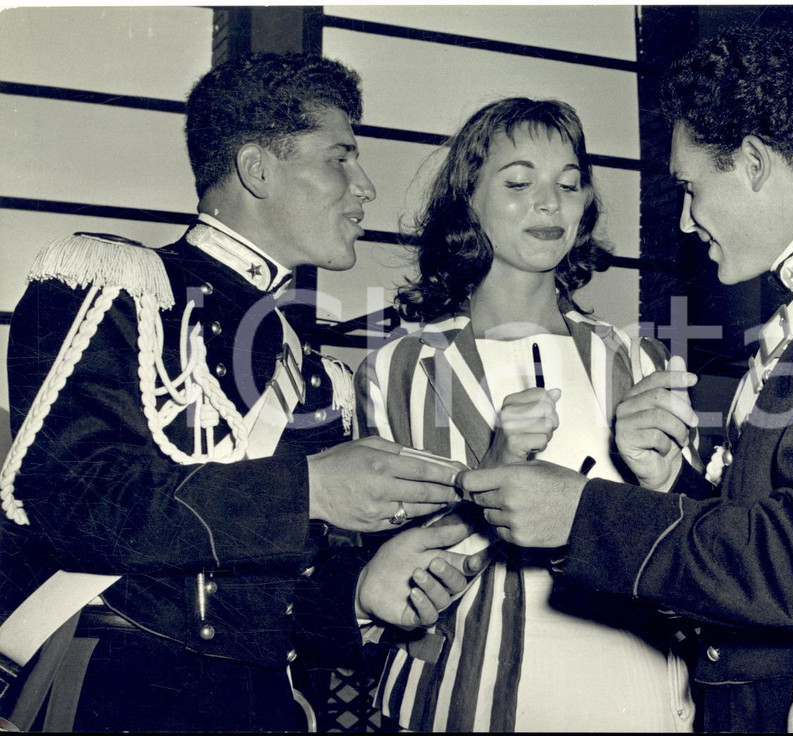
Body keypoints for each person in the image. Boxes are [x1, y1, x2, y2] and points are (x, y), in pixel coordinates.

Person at [458, 25, 793, 733]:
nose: (685, 219)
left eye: (690, 188)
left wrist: (586, 515)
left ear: (751, 162)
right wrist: (670, 482)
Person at [0, 53, 479, 733]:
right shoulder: (117, 286)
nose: (365, 187)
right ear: (257, 168)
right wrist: (307, 489)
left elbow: (276, 604)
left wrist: (367, 596)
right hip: (118, 685)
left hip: (262, 705)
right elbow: (72, 502)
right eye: (340, 158)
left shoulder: (313, 375)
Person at [355, 97, 696, 732]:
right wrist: (495, 466)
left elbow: (698, 551)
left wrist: (664, 486)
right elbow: (393, 575)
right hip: (466, 701)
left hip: (635, 695)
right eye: (518, 182)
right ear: (468, 201)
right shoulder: (401, 369)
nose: (550, 203)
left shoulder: (637, 360)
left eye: (569, 185)